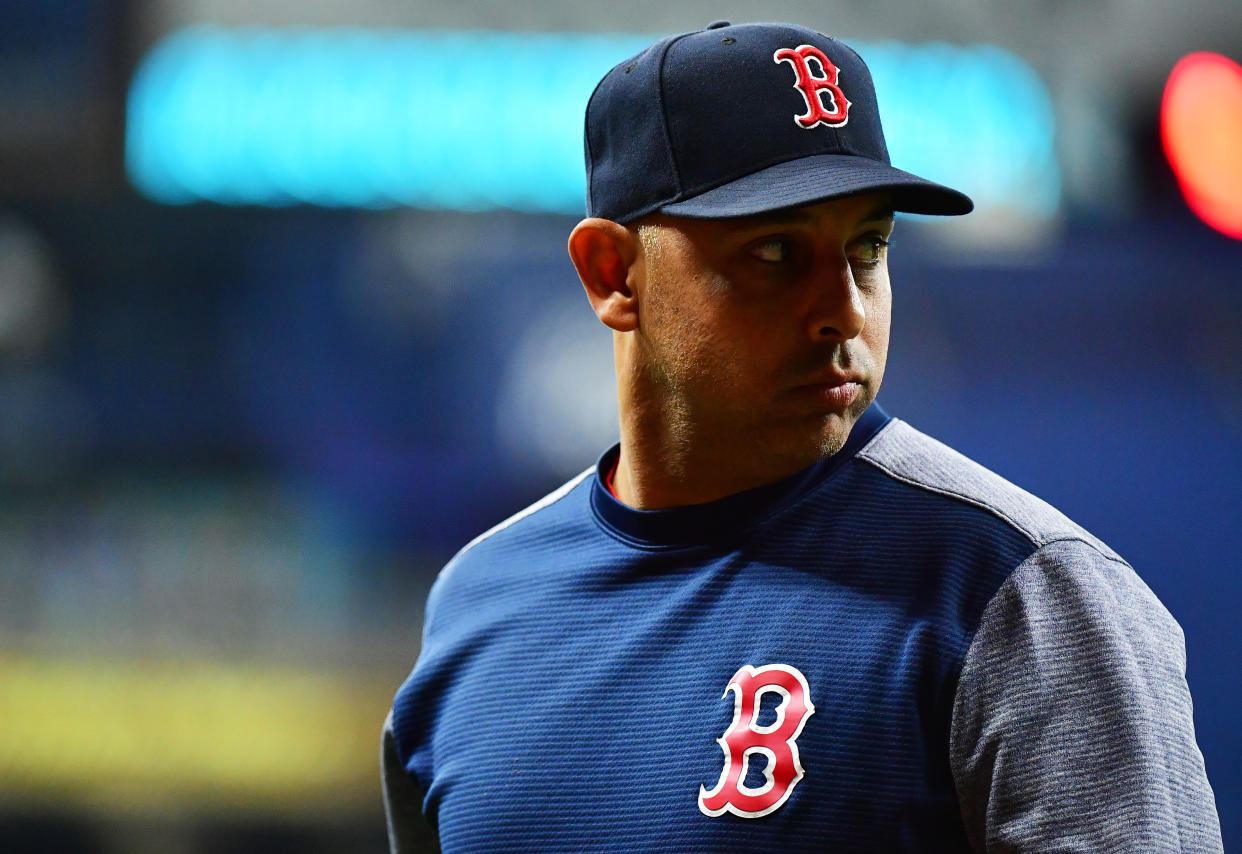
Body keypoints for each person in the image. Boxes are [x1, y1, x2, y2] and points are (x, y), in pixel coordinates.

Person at [382, 21, 1223, 852]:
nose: (846, 311)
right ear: (615, 274)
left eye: (867, 248)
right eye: (777, 252)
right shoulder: (481, 605)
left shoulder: (1019, 590)